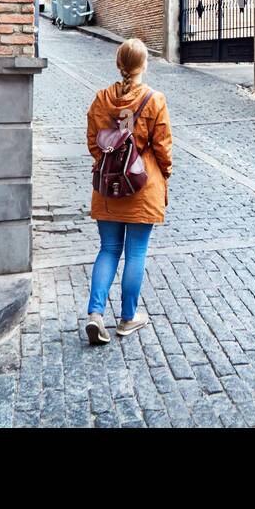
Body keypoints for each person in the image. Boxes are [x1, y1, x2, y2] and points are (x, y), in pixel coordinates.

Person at [84, 38, 172, 344]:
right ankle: (127, 318)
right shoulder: (154, 99)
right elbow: (162, 148)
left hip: (108, 187)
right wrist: (165, 174)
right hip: (142, 185)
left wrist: (112, 166)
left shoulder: (100, 99)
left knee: (108, 250)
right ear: (143, 65)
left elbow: (95, 144)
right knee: (135, 252)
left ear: (118, 64)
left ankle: (95, 314)